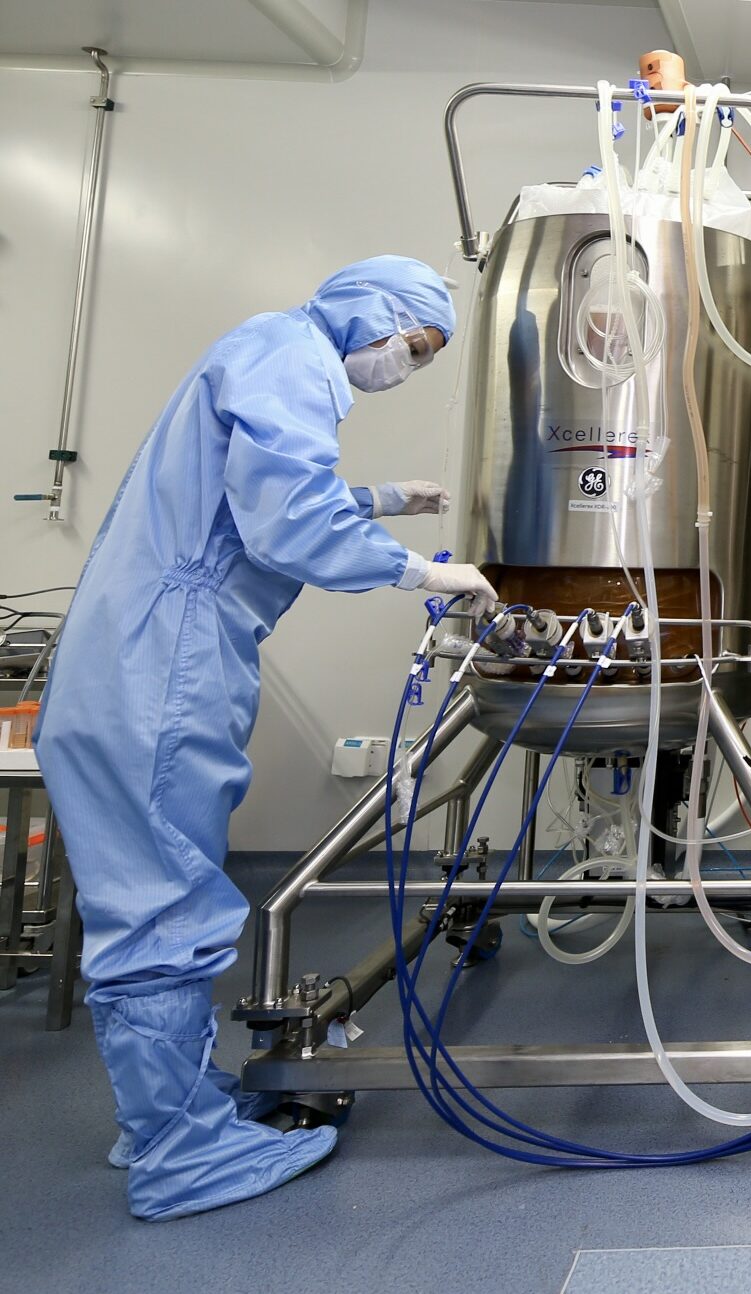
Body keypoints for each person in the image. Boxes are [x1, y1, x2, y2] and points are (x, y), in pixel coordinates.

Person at [35, 256, 498, 1221]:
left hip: (131, 657)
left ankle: (172, 1114)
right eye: (411, 346)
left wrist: (377, 499)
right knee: (165, 902)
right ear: (374, 311)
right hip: (162, 671)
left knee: (148, 890)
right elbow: (288, 521)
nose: (403, 365)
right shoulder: (294, 359)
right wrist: (420, 571)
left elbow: (233, 502)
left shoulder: (264, 349)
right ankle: (179, 1153)